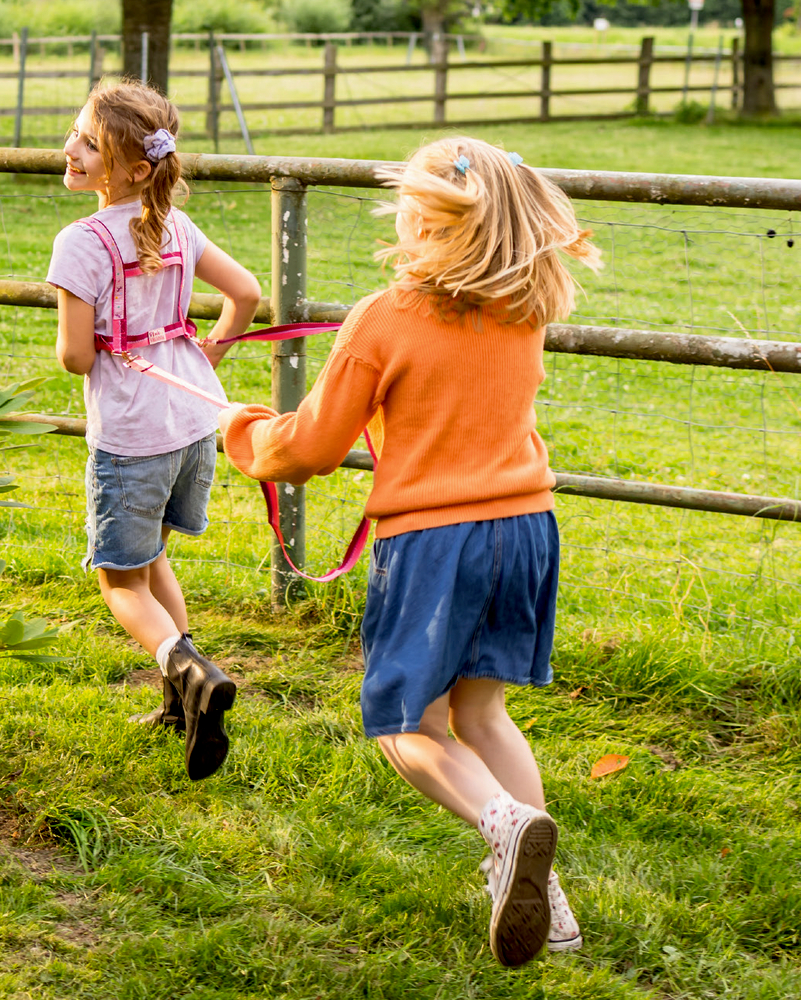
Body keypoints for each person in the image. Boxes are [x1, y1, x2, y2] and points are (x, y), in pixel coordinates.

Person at [217, 138, 601, 966]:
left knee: (405, 723)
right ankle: (549, 901)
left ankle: (506, 825)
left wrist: (242, 431)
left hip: (434, 541)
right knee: (482, 711)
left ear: (420, 216)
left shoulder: (385, 316)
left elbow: (310, 448)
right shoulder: (524, 303)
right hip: (527, 530)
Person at [47, 80, 261, 782]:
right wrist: (206, 356)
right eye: (77, 135)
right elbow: (247, 293)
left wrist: (91, 343)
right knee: (153, 558)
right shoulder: (175, 225)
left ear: (132, 168)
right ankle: (181, 702)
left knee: (118, 581)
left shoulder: (80, 242)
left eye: (89, 144)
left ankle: (186, 668)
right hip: (193, 418)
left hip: (132, 433)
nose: (72, 150)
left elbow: (77, 355)